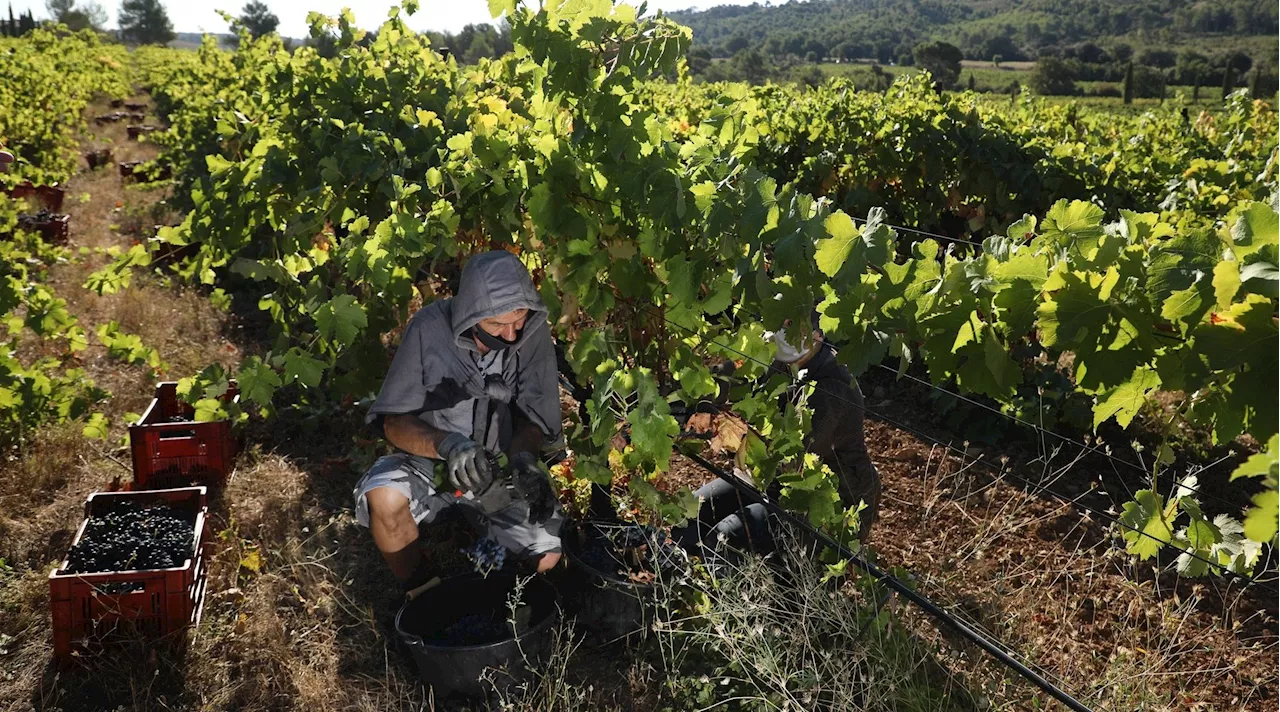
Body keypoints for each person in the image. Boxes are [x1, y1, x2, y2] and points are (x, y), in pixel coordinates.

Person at [353, 251, 565, 593]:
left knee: (547, 557)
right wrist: (447, 445)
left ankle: (497, 574)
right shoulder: (428, 329)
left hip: (496, 469)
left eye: (519, 318)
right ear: (471, 313)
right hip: (427, 459)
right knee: (386, 499)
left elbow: (533, 416)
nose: (512, 335)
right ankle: (423, 592)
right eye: (498, 324)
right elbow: (393, 423)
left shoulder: (532, 333)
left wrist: (524, 460)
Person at [676, 323, 881, 555]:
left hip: (824, 498)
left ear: (818, 334)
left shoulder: (835, 390)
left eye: (792, 325)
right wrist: (696, 400)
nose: (784, 332)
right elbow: (733, 377)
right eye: (780, 323)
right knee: (687, 516)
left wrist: (720, 429)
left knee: (728, 539)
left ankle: (762, 588)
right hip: (768, 480)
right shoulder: (780, 361)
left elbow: (789, 458)